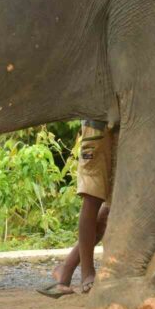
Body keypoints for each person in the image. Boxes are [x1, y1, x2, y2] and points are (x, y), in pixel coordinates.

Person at [37, 120, 117, 297]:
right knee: (92, 196)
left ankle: (66, 268)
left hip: (121, 127)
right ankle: (86, 272)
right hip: (98, 126)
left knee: (113, 207)